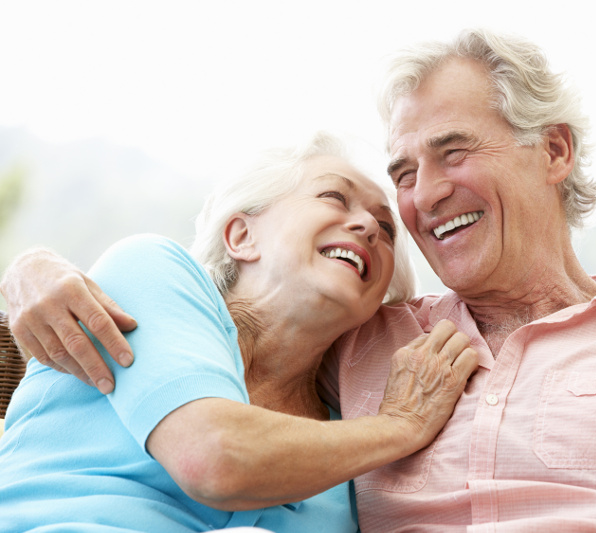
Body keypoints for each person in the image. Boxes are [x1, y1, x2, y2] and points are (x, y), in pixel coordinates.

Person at [1, 29, 596, 532]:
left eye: (453, 153)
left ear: (554, 151)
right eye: (402, 172)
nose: (415, 201)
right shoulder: (368, 342)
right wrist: (34, 269)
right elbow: (223, 371)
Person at [0, 131, 478, 532]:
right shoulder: (154, 272)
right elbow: (214, 459)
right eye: (334, 197)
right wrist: (401, 426)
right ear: (241, 236)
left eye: (386, 228)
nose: (368, 227)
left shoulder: (348, 440)